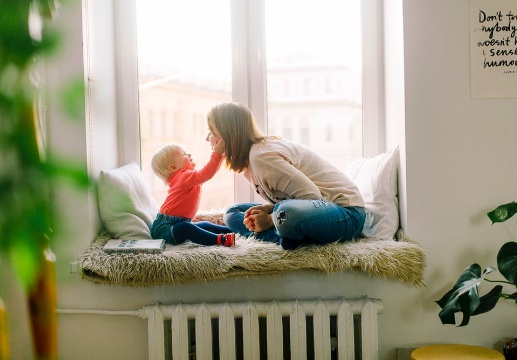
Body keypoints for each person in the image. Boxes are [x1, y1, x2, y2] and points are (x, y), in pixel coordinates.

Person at [206, 102, 366, 250]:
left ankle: (282, 234)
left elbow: (312, 196)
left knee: (286, 213)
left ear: (228, 136)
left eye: (212, 132)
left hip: (346, 213)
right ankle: (284, 238)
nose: (208, 138)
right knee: (233, 212)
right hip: (311, 210)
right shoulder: (250, 161)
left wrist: (269, 219)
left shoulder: (261, 157)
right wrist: (268, 210)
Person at [150, 142, 235, 247]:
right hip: (164, 229)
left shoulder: (187, 178)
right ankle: (221, 240)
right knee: (186, 228)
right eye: (183, 154)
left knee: (203, 225)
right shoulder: (182, 177)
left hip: (177, 224)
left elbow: (208, 174)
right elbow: (206, 173)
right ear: (173, 168)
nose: (189, 154)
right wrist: (216, 154)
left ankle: (232, 230)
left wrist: (221, 157)